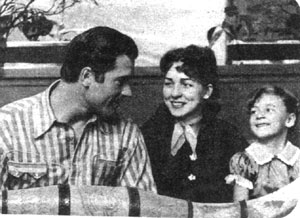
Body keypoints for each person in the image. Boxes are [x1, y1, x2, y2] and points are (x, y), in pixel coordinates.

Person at [0, 26, 156, 192]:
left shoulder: (126, 134)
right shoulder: (7, 125)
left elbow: (141, 210)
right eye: (120, 82)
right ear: (87, 76)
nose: (128, 92)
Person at [141, 45, 248, 203]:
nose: (175, 93)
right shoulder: (147, 134)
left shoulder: (228, 137)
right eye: (169, 83)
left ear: (207, 92)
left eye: (187, 85)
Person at [226, 85, 300, 201]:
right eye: (253, 111)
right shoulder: (245, 161)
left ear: (289, 120)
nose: (259, 115)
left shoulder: (297, 159)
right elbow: (241, 209)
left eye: (268, 110)